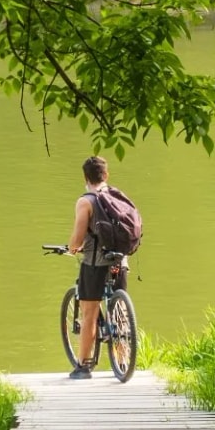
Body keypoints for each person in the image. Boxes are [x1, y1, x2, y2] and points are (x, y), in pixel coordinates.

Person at [66, 155, 128, 378]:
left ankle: (83, 366)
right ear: (106, 175)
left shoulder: (86, 201)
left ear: (85, 177)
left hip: (95, 263)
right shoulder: (117, 196)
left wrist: (73, 248)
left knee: (89, 312)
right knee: (119, 311)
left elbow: (77, 239)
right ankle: (123, 362)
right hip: (120, 261)